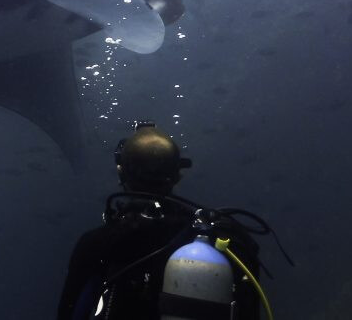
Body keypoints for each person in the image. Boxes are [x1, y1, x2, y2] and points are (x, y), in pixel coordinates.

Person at [57, 121, 265, 320]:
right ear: (177, 176)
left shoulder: (96, 244)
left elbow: (70, 313)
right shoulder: (224, 238)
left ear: (121, 173)